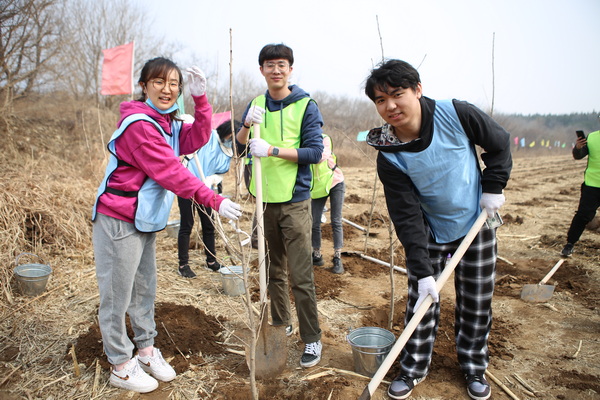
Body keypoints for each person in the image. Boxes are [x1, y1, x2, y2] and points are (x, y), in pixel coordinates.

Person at [91, 57, 241, 393]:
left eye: (174, 83)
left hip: (144, 220)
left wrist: (201, 101)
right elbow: (171, 173)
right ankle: (120, 363)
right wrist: (215, 200)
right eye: (158, 81)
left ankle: (145, 350)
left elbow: (198, 138)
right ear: (143, 85)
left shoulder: (167, 123)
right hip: (118, 218)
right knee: (117, 296)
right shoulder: (139, 126)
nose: (167, 89)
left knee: (144, 289)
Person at [364, 59, 511, 400]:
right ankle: (414, 367)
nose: (390, 106)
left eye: (397, 94)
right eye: (380, 100)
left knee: (476, 301)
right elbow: (405, 213)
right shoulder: (388, 152)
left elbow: (500, 144)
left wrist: (494, 185)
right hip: (430, 230)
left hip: (476, 222)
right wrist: (421, 270)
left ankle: (474, 365)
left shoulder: (456, 114)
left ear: (417, 89)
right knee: (422, 300)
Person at [236, 43, 324, 368]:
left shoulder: (306, 105)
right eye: (270, 64)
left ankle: (312, 338)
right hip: (263, 201)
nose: (276, 70)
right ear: (261, 69)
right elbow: (239, 146)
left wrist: (271, 150)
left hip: (296, 202)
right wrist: (246, 126)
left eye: (282, 64)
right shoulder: (256, 104)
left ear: (290, 69)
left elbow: (314, 153)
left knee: (300, 275)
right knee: (272, 270)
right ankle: (281, 322)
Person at [176, 118, 240, 278]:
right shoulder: (208, 136)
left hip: (206, 191)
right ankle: (183, 264)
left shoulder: (228, 150)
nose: (232, 139)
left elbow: (220, 172)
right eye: (231, 135)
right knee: (187, 225)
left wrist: (212, 180)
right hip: (187, 186)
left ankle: (211, 260)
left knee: (209, 225)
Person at [561, 119, 600, 257]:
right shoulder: (592, 137)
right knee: (583, 216)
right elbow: (578, 155)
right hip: (592, 185)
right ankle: (570, 244)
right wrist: (578, 147)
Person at [310, 133, 346, 274]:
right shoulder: (301, 139)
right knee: (314, 221)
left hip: (335, 182)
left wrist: (303, 153)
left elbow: (320, 157)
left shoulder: (324, 138)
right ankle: (317, 255)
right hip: (319, 187)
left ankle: (337, 257)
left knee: (336, 220)